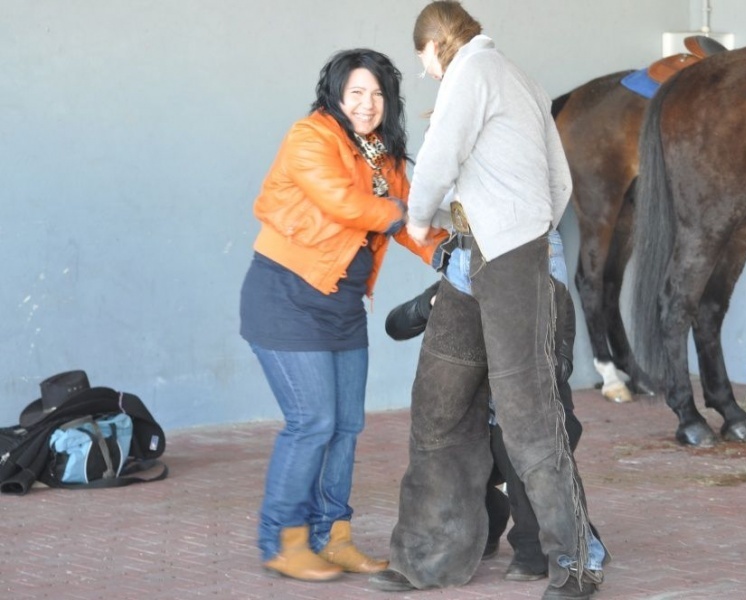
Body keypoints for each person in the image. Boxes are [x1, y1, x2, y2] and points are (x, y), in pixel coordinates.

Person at [371, 3, 606, 598]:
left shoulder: (471, 74)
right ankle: (427, 558)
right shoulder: (521, 79)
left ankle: (575, 566)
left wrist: (419, 220)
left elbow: (442, 156)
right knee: (440, 409)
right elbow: (560, 180)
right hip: (478, 260)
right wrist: (533, 231)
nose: (424, 73)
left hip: (506, 259)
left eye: (422, 59)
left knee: (528, 419)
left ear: (436, 44)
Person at [239, 48, 446, 583]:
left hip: (343, 306)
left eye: (377, 93)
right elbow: (344, 204)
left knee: (347, 427)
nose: (367, 103)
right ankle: (284, 540)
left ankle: (334, 535)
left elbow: (413, 226)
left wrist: (452, 257)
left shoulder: (382, 153)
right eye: (356, 92)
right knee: (313, 423)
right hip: (287, 297)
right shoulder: (311, 137)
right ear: (335, 94)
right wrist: (403, 214)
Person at [384, 229, 597, 584]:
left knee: (514, 438)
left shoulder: (544, 293)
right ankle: (469, 533)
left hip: (522, 432)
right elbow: (396, 324)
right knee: (445, 431)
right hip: (480, 437)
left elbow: (558, 372)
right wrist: (429, 305)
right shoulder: (457, 287)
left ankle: (547, 545)